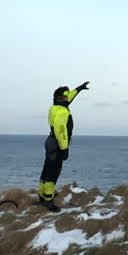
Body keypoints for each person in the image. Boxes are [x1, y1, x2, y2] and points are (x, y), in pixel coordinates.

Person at [38, 80, 89, 211]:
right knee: (53, 172)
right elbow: (61, 132)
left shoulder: (55, 106)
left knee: (46, 169)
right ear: (59, 98)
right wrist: (64, 148)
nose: (67, 98)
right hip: (57, 144)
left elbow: (69, 96)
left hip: (50, 142)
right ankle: (48, 200)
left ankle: (41, 195)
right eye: (65, 96)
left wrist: (80, 88)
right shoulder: (62, 112)